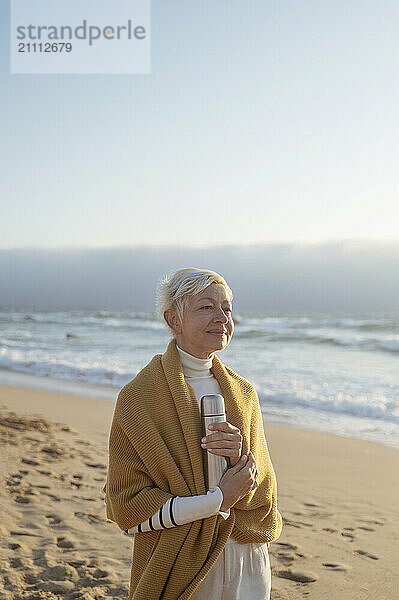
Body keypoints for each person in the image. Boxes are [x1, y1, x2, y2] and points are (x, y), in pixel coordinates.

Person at [103, 268, 283, 599]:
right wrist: (218, 499)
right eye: (206, 307)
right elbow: (128, 509)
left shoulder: (244, 393)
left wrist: (240, 461)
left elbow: (264, 498)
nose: (222, 318)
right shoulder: (139, 397)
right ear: (173, 320)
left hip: (246, 559)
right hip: (181, 561)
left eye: (227, 308)